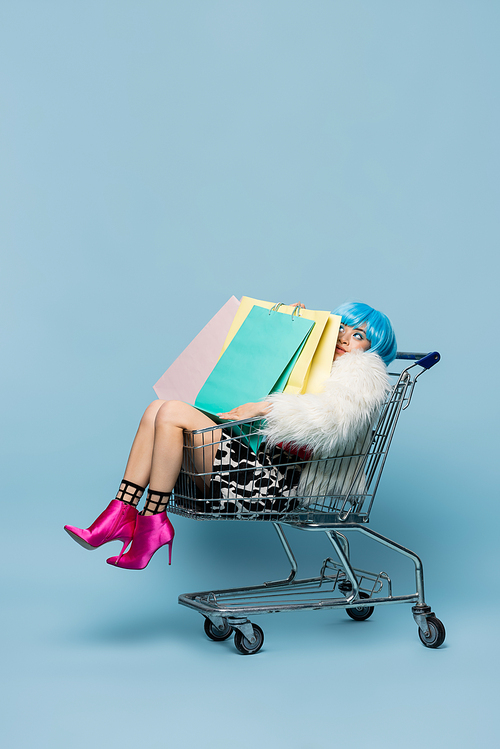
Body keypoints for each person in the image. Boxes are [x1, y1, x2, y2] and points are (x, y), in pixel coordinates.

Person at [64, 301, 397, 570]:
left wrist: (266, 408)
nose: (344, 337)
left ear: (373, 348)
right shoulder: (316, 363)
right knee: (157, 409)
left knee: (171, 412)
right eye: (341, 327)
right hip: (249, 463)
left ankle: (150, 521)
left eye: (358, 335)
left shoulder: (360, 376)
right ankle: (122, 512)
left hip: (274, 485)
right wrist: (290, 328)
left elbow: (329, 421)